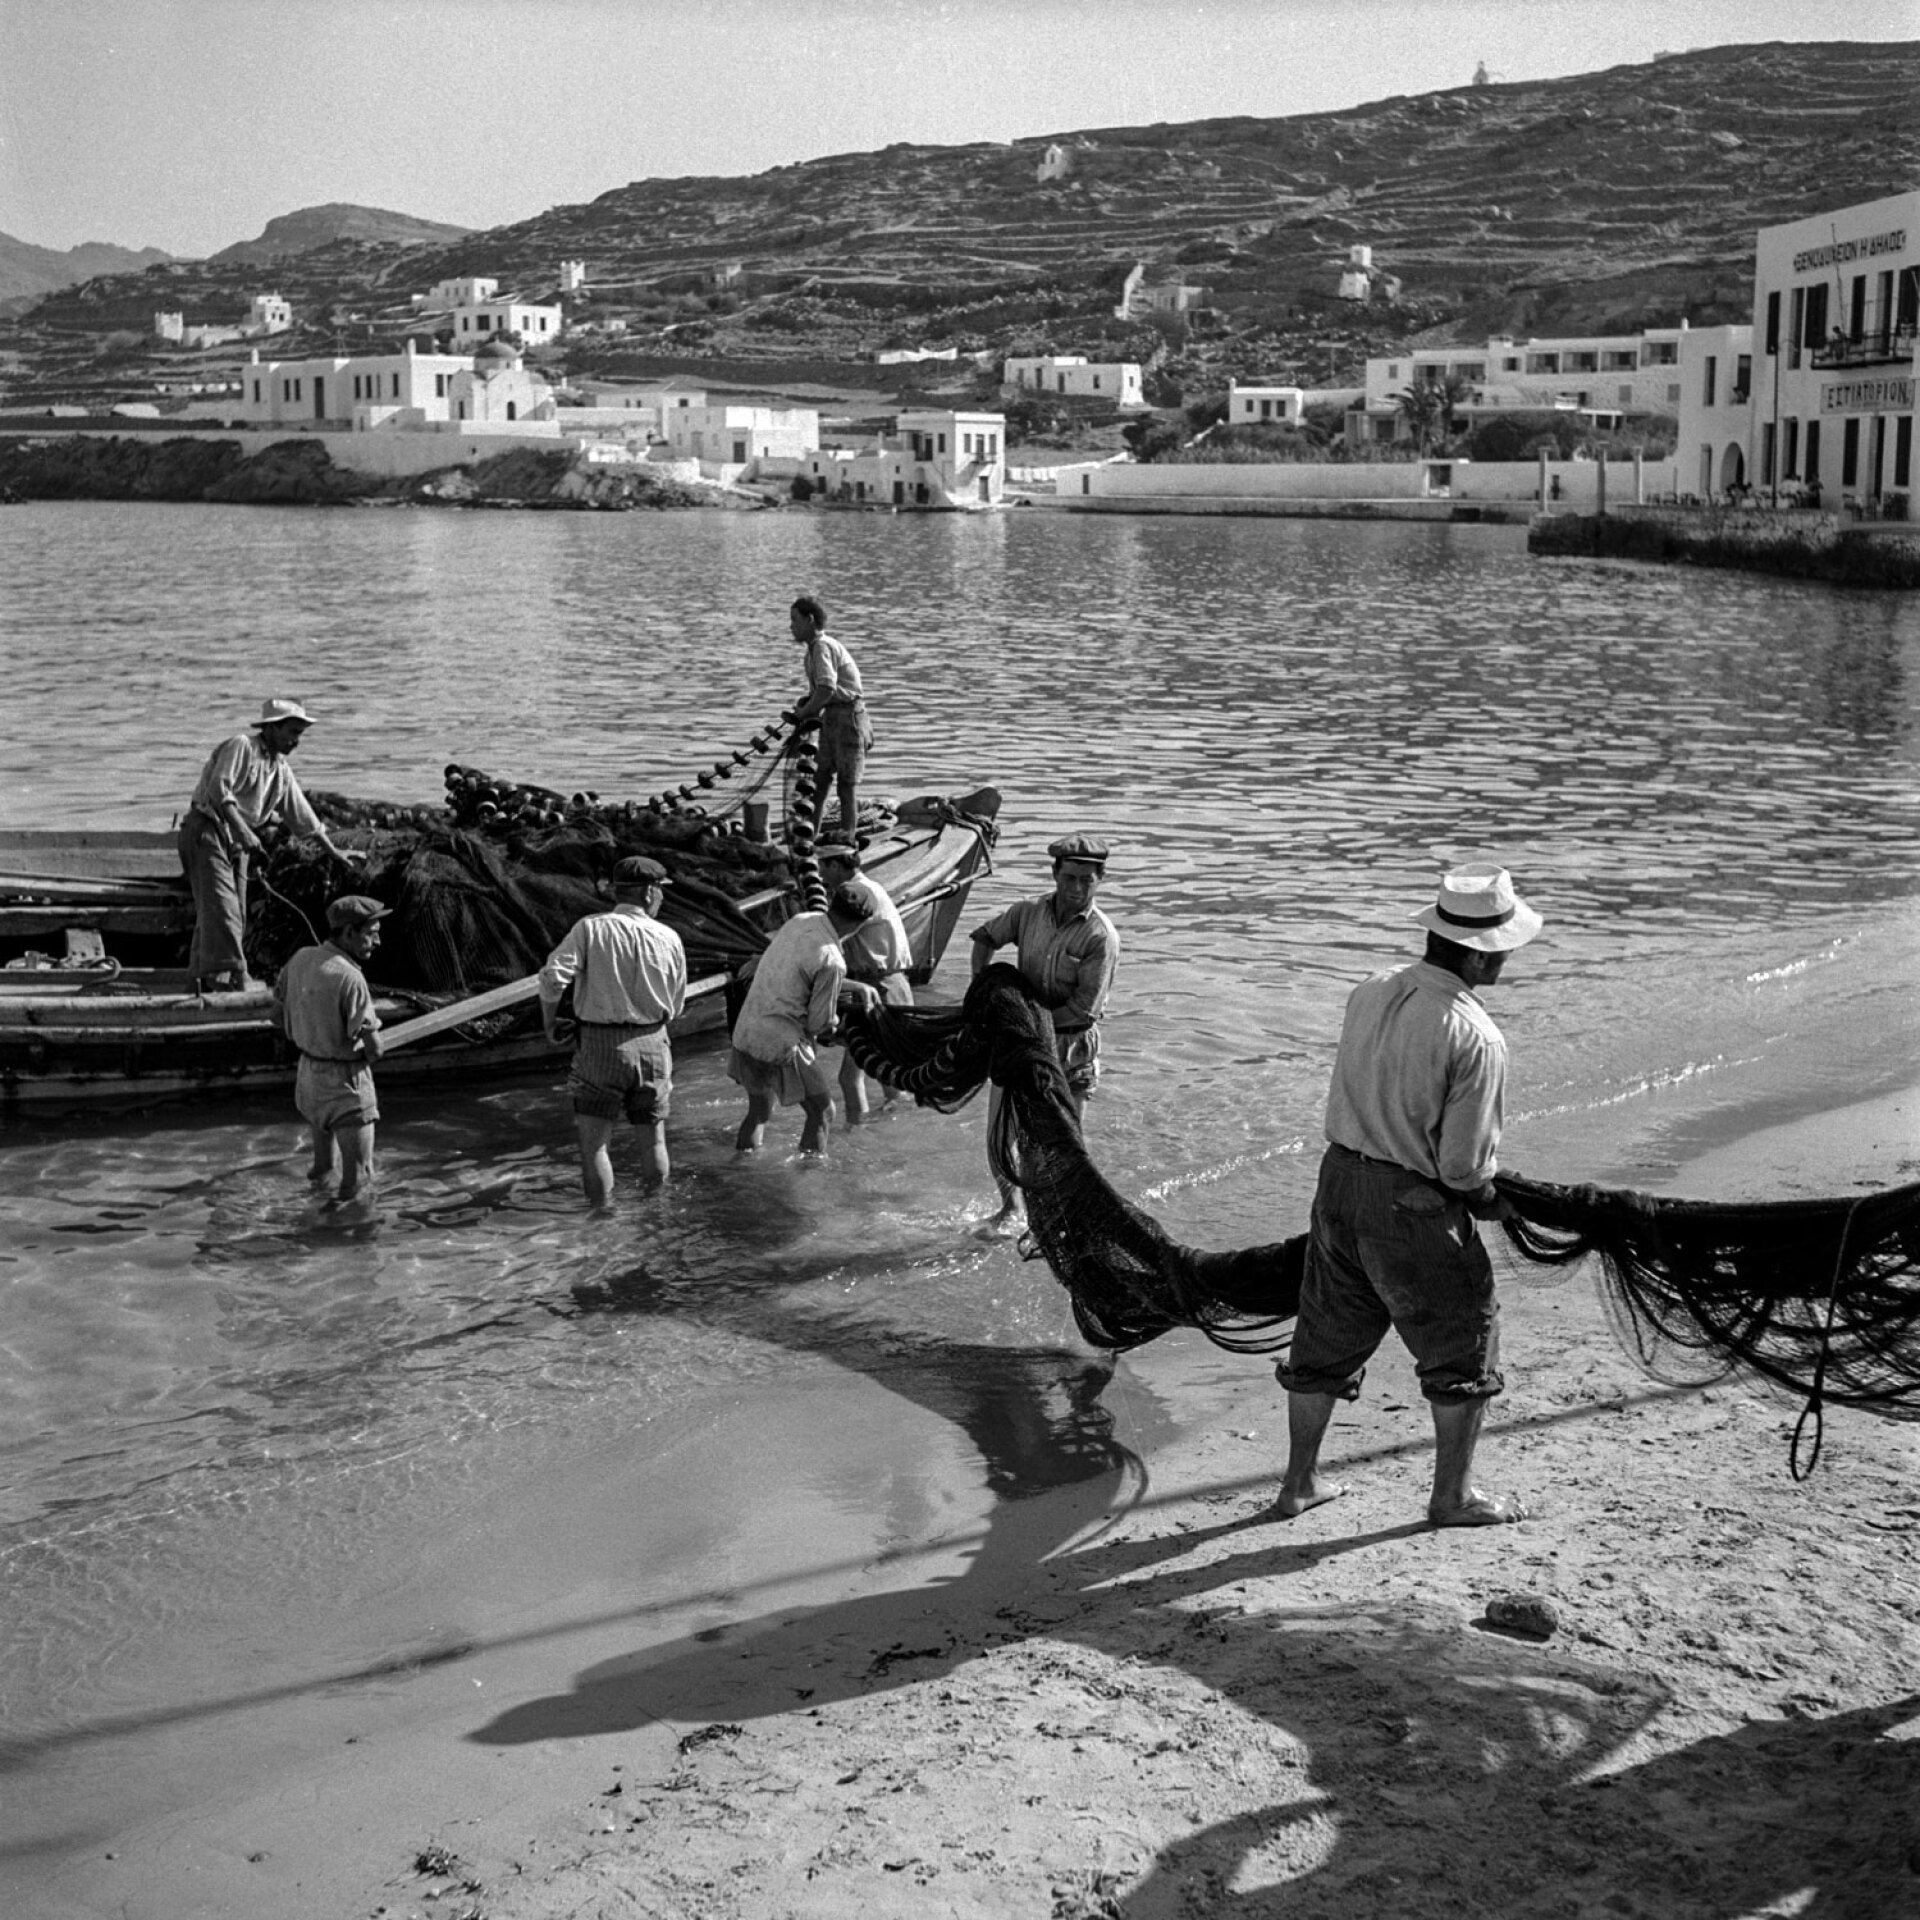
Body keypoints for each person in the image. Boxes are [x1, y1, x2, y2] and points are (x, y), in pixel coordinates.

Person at [1275, 862, 1544, 1530]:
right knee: (1463, 1339)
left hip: (1338, 1182)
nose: (1508, 957)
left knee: (1325, 1334)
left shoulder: (1371, 989)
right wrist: (1491, 1200)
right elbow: (1460, 1168)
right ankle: (1451, 1497)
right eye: (1504, 947)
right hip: (1411, 1204)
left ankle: (1300, 1483)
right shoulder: (1476, 1036)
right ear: (1483, 956)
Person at [969, 833, 1119, 1228]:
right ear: (1054, 874)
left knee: (1061, 1148)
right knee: (1000, 1138)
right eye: (1069, 877)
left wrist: (1021, 1021)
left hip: (1070, 1049)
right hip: (1018, 1045)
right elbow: (984, 938)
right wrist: (983, 987)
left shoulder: (1101, 937)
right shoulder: (1026, 913)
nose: (1076, 888)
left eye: (1086, 880)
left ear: (1100, 880)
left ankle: (1057, 1221)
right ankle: (1011, 1209)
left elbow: (1080, 1009)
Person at [179, 697, 362, 994]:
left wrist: (334, 851)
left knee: (232, 909)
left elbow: (304, 817)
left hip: (235, 842)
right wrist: (243, 831)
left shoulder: (280, 770)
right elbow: (218, 789)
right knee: (224, 910)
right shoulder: (242, 747)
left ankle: (199, 978)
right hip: (206, 831)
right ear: (272, 729)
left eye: (300, 734)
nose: (296, 741)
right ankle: (237, 977)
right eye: (292, 732)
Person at [538, 856, 688, 1207]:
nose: (662, 899)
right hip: (653, 1042)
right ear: (649, 892)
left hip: (600, 1044)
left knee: (595, 1146)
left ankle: (602, 1221)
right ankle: (655, 1214)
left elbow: (551, 977)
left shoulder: (589, 928)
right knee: (653, 1141)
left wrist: (548, 1023)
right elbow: (678, 1003)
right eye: (661, 893)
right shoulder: (669, 936)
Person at [728, 883, 880, 1156]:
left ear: (832, 903)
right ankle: (810, 1180)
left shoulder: (799, 922)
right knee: (822, 1112)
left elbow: (798, 971)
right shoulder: (833, 960)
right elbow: (818, 1024)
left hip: (747, 1031)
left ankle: (740, 1166)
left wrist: (856, 987)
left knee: (759, 1112)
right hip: (781, 1043)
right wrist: (842, 1031)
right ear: (860, 925)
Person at [272, 893, 388, 1209]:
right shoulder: (351, 977)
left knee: (323, 1168)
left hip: (308, 1077)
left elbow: (275, 1016)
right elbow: (375, 1049)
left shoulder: (299, 959)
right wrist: (369, 1049)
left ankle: (309, 1216)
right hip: (344, 1085)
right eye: (371, 934)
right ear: (349, 932)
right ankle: (339, 1242)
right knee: (361, 1177)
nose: (376, 942)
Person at [816, 841, 912, 1123]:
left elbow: (828, 940)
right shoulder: (873, 887)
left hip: (877, 988)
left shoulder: (853, 894)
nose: (820, 875)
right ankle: (896, 1127)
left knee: (849, 1077)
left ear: (834, 865)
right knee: (888, 1074)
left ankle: (855, 1135)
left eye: (822, 867)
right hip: (895, 984)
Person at [786, 595, 870, 842]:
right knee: (820, 780)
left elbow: (827, 690)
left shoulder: (822, 646)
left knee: (846, 784)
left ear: (810, 620)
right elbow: (819, 692)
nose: (791, 626)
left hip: (849, 718)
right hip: (832, 718)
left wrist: (803, 713)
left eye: (795, 620)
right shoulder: (812, 651)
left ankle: (847, 839)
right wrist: (805, 703)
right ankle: (810, 836)